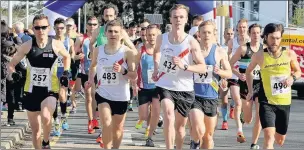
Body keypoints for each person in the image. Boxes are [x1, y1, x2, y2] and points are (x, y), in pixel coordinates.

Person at [7, 14, 71, 149]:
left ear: (48, 28)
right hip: (31, 91)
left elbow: (67, 57)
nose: (40, 30)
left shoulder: (55, 44)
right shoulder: (27, 46)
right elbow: (11, 65)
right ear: (33, 29)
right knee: (36, 132)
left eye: (43, 27)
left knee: (47, 116)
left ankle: (46, 142)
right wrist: (15, 74)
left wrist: (66, 72)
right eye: (37, 28)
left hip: (50, 90)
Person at [152, 4, 206, 149]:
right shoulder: (161, 38)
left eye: (181, 17)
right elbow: (156, 53)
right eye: (175, 17)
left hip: (184, 88)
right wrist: (157, 67)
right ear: (170, 19)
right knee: (168, 115)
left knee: (180, 128)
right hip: (165, 85)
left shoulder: (191, 42)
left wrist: (185, 66)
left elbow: (202, 67)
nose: (178, 20)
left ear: (186, 20)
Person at [246, 23, 301, 149]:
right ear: (265, 37)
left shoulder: (289, 54)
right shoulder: (259, 55)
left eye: (278, 38)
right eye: (272, 38)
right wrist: (250, 90)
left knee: (280, 140)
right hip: (266, 102)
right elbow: (248, 71)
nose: (275, 41)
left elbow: (298, 71)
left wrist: (292, 78)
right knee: (269, 137)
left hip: (284, 102)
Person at [86, 19, 137, 149]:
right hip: (103, 93)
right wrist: (91, 80)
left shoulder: (127, 52)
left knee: (118, 128)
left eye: (116, 32)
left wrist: (123, 71)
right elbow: (92, 66)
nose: (113, 34)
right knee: (106, 123)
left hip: (121, 96)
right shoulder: (98, 50)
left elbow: (134, 75)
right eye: (110, 31)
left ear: (121, 34)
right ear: (105, 34)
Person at [189, 20, 232, 149]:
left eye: (209, 32)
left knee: (208, 137)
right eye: (204, 32)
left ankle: (197, 143)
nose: (206, 35)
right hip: (194, 95)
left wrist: (221, 72)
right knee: (199, 129)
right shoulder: (193, 50)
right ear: (199, 34)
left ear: (214, 34)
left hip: (211, 97)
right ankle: (195, 142)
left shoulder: (219, 52)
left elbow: (229, 73)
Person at [230, 23, 263, 149]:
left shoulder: (264, 49)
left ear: (261, 34)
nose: (255, 35)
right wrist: (238, 74)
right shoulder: (243, 49)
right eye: (253, 33)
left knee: (260, 115)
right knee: (249, 119)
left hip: (260, 84)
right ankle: (244, 114)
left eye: (258, 33)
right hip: (245, 84)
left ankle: (254, 143)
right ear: (249, 34)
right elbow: (229, 65)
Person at [132, 24, 162, 147]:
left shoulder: (162, 50)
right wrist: (134, 84)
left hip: (157, 87)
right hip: (143, 87)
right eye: (149, 35)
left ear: (158, 35)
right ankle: (146, 123)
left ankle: (149, 136)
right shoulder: (141, 49)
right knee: (143, 115)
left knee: (155, 112)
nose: (151, 37)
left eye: (154, 35)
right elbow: (134, 67)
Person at [74, 16, 100, 134]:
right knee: (89, 95)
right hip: (85, 71)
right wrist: (77, 57)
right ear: (86, 25)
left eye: (94, 24)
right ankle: (90, 121)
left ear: (98, 26)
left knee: (95, 96)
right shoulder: (81, 39)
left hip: (99, 72)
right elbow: (72, 55)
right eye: (90, 24)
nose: (92, 26)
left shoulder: (101, 38)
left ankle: (95, 119)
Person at [227, 18, 250, 143]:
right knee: (237, 102)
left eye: (244, 27)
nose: (242, 29)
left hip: (248, 77)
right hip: (235, 75)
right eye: (240, 27)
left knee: (246, 105)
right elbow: (228, 58)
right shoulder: (232, 42)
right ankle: (239, 131)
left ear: (247, 28)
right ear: (237, 28)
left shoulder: (252, 42)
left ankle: (241, 114)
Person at [51, 17, 75, 136]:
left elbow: (72, 56)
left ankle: (64, 116)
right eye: (57, 28)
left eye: (62, 28)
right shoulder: (51, 41)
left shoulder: (69, 41)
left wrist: (76, 57)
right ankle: (56, 121)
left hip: (64, 71)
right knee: (54, 97)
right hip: (53, 71)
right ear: (54, 28)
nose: (59, 30)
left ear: (65, 29)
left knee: (62, 95)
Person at [220, 27, 235, 130]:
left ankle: (233, 107)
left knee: (235, 98)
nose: (230, 36)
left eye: (231, 34)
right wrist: (223, 77)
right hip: (225, 76)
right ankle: (225, 121)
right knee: (224, 100)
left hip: (234, 76)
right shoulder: (220, 48)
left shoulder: (237, 47)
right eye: (228, 34)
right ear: (224, 35)